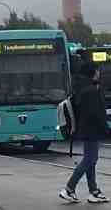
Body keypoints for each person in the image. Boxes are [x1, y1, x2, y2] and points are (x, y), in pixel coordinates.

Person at [59, 63, 110, 203]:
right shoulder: (93, 90)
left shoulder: (81, 88)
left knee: (90, 160)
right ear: (93, 73)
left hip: (86, 128)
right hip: (92, 129)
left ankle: (93, 191)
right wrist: (106, 129)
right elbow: (96, 113)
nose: (99, 73)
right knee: (90, 160)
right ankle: (69, 188)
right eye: (98, 71)